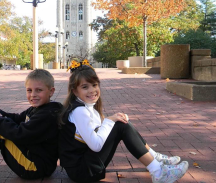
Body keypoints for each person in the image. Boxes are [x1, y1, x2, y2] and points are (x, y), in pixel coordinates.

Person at [58, 60, 189, 183]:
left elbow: (98, 134)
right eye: (85, 87)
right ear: (75, 91)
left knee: (121, 123)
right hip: (81, 171)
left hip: (84, 165)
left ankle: (155, 159)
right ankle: (158, 172)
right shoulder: (79, 111)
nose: (92, 90)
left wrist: (111, 122)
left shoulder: (87, 108)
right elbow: (96, 145)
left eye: (94, 85)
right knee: (121, 126)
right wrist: (109, 121)